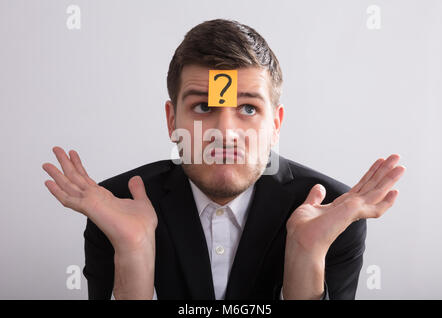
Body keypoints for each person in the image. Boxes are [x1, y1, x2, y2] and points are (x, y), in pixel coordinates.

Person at [42, 19, 405, 300]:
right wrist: (134, 255)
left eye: (247, 107)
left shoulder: (335, 214)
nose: (225, 132)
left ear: (275, 124)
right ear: (173, 120)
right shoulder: (115, 207)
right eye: (203, 106)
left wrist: (306, 257)